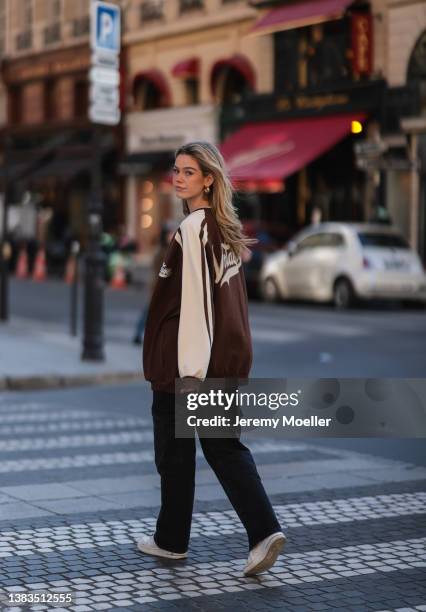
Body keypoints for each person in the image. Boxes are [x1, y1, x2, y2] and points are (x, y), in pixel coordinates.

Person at [137, 141, 286, 576]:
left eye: (188, 172)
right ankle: (252, 532)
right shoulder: (222, 229)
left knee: (174, 452)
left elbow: (199, 307)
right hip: (217, 362)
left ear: (208, 180)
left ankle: (178, 540)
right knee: (222, 449)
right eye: (176, 170)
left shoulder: (193, 228)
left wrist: (190, 375)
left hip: (186, 367)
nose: (178, 178)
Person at [133, 224, 173, 345]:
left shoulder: (166, 250)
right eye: (170, 233)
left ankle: (143, 334)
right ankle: (140, 334)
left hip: (160, 284)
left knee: (153, 311)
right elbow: (162, 270)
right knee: (150, 311)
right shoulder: (163, 251)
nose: (172, 236)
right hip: (159, 285)